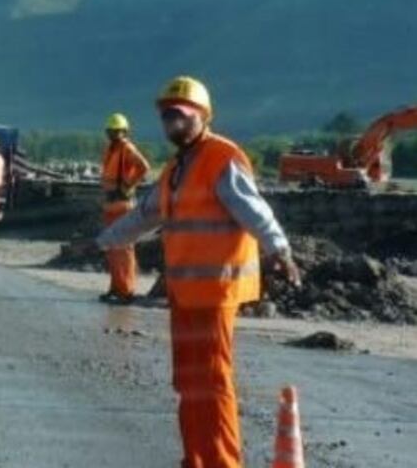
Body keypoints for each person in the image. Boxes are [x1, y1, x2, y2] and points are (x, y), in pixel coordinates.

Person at [96, 76, 301, 468]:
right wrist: (106, 240)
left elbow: (254, 210)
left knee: (211, 382)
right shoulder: (178, 166)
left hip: (215, 293)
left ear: (201, 116)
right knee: (188, 382)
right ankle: (196, 459)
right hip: (185, 294)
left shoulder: (220, 159)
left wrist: (280, 249)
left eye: (179, 115)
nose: (171, 122)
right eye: (166, 116)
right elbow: (146, 214)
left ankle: (221, 462)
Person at [99, 113, 150, 304]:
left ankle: (126, 291)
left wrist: (128, 185)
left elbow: (144, 166)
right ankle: (116, 288)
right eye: (111, 131)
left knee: (124, 249)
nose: (113, 134)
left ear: (124, 132)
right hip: (111, 204)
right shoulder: (111, 149)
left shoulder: (127, 148)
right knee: (113, 248)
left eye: (117, 131)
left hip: (122, 204)